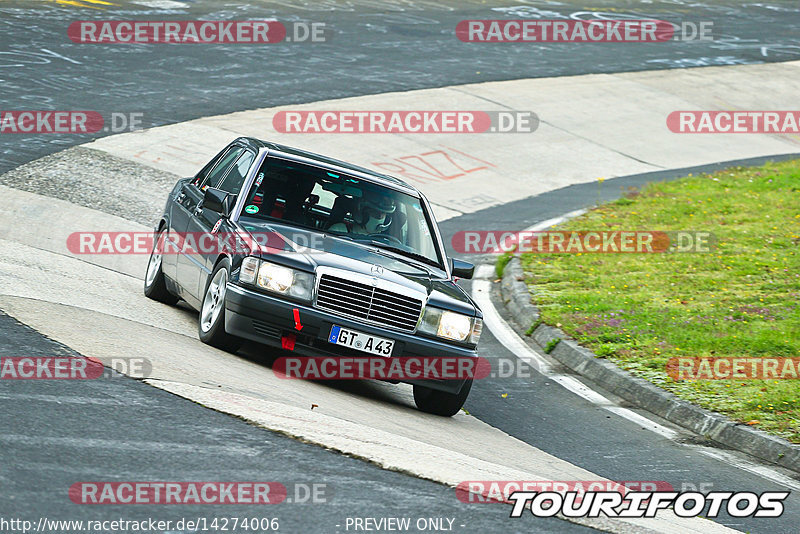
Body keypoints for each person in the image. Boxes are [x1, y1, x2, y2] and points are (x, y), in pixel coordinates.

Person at [329, 191, 396, 235]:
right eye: (375, 212)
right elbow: (322, 249)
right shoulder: (339, 230)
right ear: (360, 214)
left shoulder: (383, 242)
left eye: (383, 213)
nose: (380, 216)